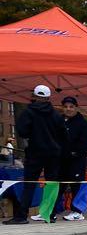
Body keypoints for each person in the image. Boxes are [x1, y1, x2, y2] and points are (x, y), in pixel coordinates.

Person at [4, 85, 68, 225]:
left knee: (29, 184)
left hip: (35, 152)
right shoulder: (56, 115)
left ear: (34, 96)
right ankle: (50, 214)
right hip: (53, 153)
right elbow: (64, 135)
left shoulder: (29, 112)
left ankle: (21, 216)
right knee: (51, 184)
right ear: (48, 98)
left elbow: (22, 131)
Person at [45, 96, 87, 222]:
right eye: (65, 107)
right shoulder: (58, 122)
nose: (68, 109)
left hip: (76, 160)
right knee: (57, 186)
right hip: (60, 160)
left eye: (71, 107)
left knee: (76, 185)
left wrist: (74, 152)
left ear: (76, 108)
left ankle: (77, 211)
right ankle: (50, 211)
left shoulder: (83, 124)